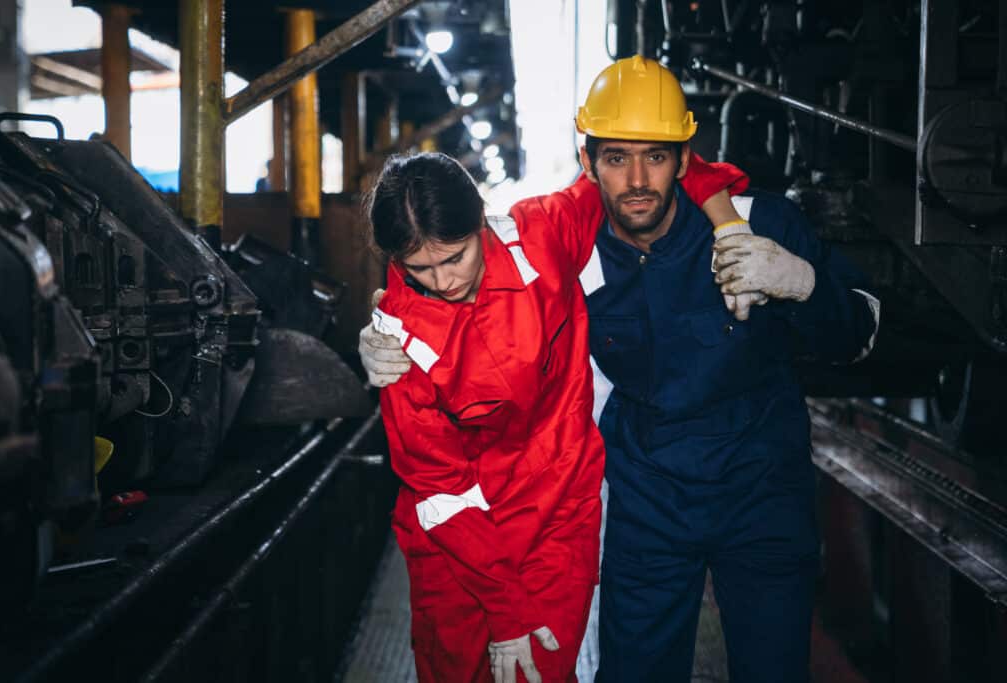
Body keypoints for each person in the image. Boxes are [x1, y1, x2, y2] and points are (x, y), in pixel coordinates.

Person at [361, 56, 881, 683]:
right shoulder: (569, 250)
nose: (637, 179)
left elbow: (860, 333)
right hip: (648, 504)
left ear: (684, 159)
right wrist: (389, 325)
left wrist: (803, 283)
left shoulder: (754, 223)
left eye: (655, 157)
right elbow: (435, 264)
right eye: (615, 158)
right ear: (589, 165)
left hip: (762, 497)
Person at [366, 145, 748, 683]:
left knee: (538, 672)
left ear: (480, 222)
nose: (444, 280)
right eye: (419, 269)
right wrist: (504, 609)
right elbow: (438, 485)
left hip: (556, 521)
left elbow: (632, 165)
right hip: (457, 543)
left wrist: (724, 217)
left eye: (455, 257)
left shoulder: (542, 235)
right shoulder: (398, 342)